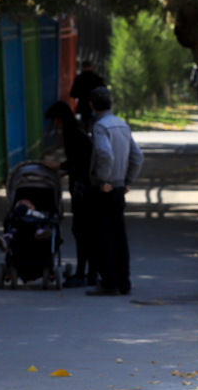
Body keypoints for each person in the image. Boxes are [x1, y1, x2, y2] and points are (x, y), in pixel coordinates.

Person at [85, 86, 143, 297]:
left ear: (92, 106)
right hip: (119, 188)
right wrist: (127, 181)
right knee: (120, 236)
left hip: (105, 188)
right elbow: (137, 157)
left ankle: (109, 282)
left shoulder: (100, 127)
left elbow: (105, 154)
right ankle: (123, 282)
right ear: (111, 103)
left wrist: (102, 180)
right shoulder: (122, 125)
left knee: (104, 237)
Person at [45, 101, 98, 287]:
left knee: (81, 230)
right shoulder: (79, 131)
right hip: (86, 186)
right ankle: (90, 272)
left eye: (54, 121)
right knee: (86, 231)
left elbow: (76, 162)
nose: (54, 125)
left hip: (82, 190)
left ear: (59, 119)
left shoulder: (71, 134)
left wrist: (57, 166)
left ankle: (83, 273)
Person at [69, 59, 106, 127]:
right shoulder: (98, 79)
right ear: (91, 67)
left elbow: (73, 94)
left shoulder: (79, 79)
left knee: (84, 128)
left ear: (82, 67)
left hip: (83, 108)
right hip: (96, 108)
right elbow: (104, 92)